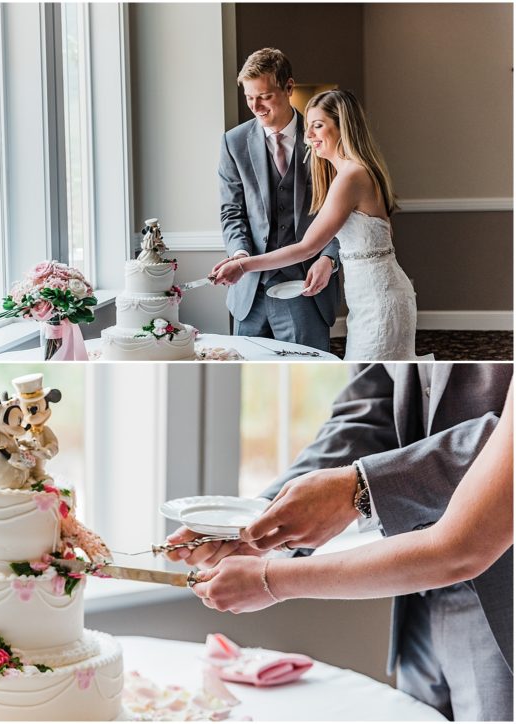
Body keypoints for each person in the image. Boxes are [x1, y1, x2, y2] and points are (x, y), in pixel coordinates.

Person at [168, 363, 513, 721]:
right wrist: (261, 524)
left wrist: (360, 488)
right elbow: (371, 407)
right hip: (414, 605)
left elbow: (461, 542)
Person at [213, 88, 417, 360]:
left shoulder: (351, 177)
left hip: (379, 303)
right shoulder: (351, 171)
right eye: (308, 127)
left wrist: (242, 265)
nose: (308, 136)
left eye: (318, 126)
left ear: (342, 126)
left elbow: (308, 248)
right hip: (371, 298)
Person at [216, 47, 340, 353]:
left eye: (265, 96)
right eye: (248, 97)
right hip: (250, 290)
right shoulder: (234, 142)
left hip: (307, 286)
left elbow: (342, 211)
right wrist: (240, 253)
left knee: (306, 372)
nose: (255, 106)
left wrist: (329, 258)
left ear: (288, 87)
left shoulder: (322, 139)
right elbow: (231, 212)